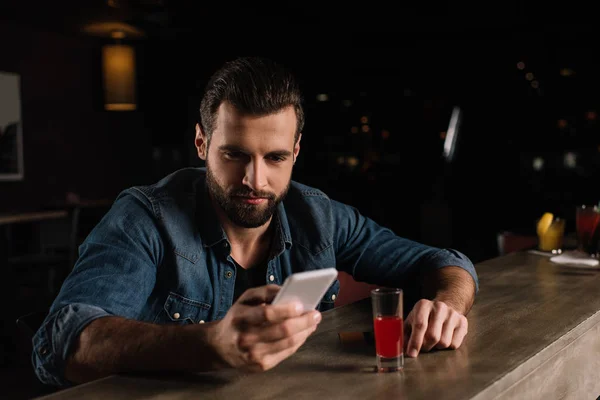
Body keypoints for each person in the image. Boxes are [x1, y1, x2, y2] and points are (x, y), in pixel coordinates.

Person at [32, 56, 479, 387]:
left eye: (275, 157)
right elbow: (61, 342)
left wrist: (447, 307)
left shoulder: (317, 215)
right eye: (235, 155)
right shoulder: (146, 217)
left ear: (296, 152)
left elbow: (445, 262)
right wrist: (210, 344)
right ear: (202, 143)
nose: (255, 180)